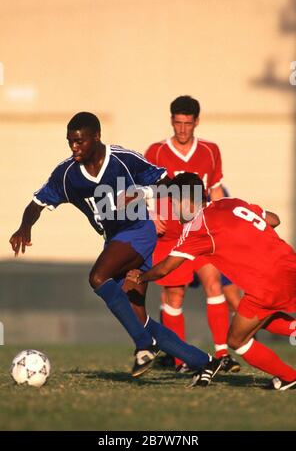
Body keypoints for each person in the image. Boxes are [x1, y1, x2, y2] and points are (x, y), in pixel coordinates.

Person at [9, 112, 221, 384]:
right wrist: (25, 226)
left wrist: (145, 193)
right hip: (114, 240)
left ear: (96, 137)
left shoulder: (123, 159)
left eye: (80, 141)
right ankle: (204, 361)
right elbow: (37, 202)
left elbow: (163, 182)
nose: (74, 147)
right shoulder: (66, 175)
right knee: (140, 318)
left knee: (97, 277)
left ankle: (144, 345)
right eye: (70, 142)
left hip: (138, 231)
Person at [127, 172, 296, 390]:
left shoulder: (198, 227)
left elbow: (165, 268)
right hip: (289, 265)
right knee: (263, 319)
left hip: (265, 285)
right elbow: (274, 219)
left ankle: (289, 376)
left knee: (237, 341)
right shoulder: (229, 202)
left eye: (174, 203)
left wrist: (140, 276)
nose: (173, 210)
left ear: (186, 201)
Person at [144, 95, 241, 371]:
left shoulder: (210, 151)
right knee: (174, 296)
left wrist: (223, 221)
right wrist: (152, 215)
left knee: (214, 284)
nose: (182, 129)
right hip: (172, 237)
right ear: (171, 121)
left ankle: (222, 354)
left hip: (202, 231)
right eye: (178, 123)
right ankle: (180, 359)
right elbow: (142, 189)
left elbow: (217, 190)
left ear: (197, 121)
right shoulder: (157, 151)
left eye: (188, 123)